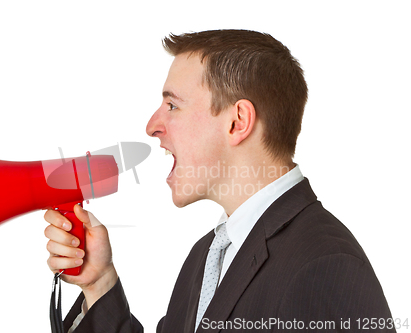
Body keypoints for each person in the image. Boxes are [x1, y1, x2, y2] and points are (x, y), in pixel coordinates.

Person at [43, 30, 395, 332]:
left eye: (173, 106)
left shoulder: (324, 265)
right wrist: (99, 283)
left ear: (237, 121)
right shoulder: (207, 257)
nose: (152, 126)